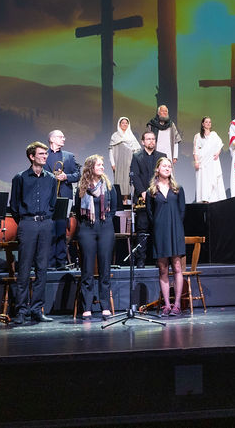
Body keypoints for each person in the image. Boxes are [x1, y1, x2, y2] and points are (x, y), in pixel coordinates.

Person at [8, 141, 56, 323]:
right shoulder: (20, 178)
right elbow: (14, 205)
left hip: (45, 224)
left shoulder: (51, 178)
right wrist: (24, 221)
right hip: (27, 223)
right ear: (31, 156)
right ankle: (21, 310)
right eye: (41, 154)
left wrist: (47, 218)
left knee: (42, 268)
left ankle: (37, 309)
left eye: (46, 154)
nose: (45, 156)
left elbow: (52, 203)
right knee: (24, 268)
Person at [76, 155, 116, 320]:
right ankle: (87, 307)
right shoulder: (82, 187)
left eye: (102, 164)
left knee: (105, 268)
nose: (102, 167)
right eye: (99, 165)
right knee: (87, 269)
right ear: (90, 167)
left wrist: (105, 221)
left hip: (105, 228)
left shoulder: (108, 186)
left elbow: (114, 208)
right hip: (87, 229)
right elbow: (77, 210)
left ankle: (105, 306)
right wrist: (87, 222)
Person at [146, 158, 186, 316]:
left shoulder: (177, 189)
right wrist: (159, 224)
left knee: (177, 267)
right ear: (157, 169)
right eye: (164, 166)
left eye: (169, 166)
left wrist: (174, 225)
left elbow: (182, 211)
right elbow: (150, 213)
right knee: (163, 269)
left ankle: (177, 304)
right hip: (160, 232)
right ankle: (167, 305)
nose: (167, 168)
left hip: (175, 230)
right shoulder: (151, 191)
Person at [130, 131, 166, 267]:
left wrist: (157, 192)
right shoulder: (136, 156)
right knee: (142, 229)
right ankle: (141, 260)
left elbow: (164, 175)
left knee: (159, 229)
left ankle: (159, 260)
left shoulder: (162, 156)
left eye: (153, 139)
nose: (151, 141)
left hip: (159, 197)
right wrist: (143, 192)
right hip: (142, 198)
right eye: (148, 139)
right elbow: (135, 176)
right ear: (142, 142)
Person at [46, 130, 80, 269]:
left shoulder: (69, 156)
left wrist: (66, 177)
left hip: (63, 198)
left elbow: (78, 175)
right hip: (47, 198)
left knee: (61, 229)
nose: (64, 139)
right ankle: (48, 262)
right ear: (52, 139)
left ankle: (60, 261)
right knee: (48, 230)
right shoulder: (43, 155)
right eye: (60, 137)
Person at [109, 117, 140, 207]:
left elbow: (137, 150)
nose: (124, 124)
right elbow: (111, 150)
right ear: (119, 124)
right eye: (123, 123)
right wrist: (112, 163)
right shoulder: (115, 136)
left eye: (126, 123)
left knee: (127, 180)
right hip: (118, 162)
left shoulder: (131, 136)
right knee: (119, 181)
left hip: (128, 162)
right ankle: (119, 201)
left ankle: (126, 200)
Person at [193, 117, 225, 202]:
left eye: (210, 122)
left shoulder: (214, 135)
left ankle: (214, 200)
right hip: (203, 162)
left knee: (214, 180)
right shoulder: (198, 136)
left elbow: (219, 145)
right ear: (203, 124)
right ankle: (204, 199)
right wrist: (196, 161)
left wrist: (218, 153)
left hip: (213, 161)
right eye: (206, 122)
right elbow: (195, 150)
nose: (208, 123)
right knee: (203, 181)